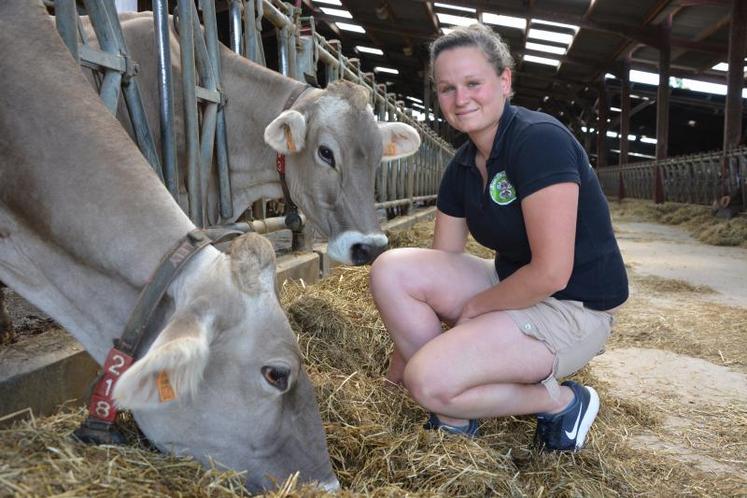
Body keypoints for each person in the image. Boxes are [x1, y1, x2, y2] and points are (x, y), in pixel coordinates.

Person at [369, 23, 628, 452]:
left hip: (572, 307)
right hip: (512, 284)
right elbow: (441, 265)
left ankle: (561, 402)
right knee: (392, 269)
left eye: (473, 83)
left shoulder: (539, 141)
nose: (460, 98)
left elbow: (551, 272)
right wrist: (402, 358)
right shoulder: (463, 165)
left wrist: (474, 309)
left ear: (504, 81)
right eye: (447, 88)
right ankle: (453, 404)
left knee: (426, 380)